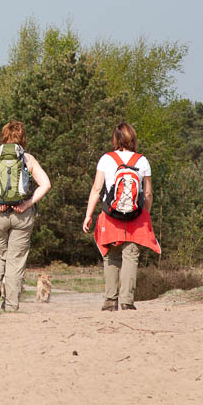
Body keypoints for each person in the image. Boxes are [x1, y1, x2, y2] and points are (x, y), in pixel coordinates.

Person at [0, 121, 51, 311]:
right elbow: (46, 184)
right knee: (16, 259)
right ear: (23, 138)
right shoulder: (27, 159)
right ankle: (12, 306)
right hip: (22, 215)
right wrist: (27, 203)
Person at [82, 122, 161, 311]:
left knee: (110, 256)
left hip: (110, 216)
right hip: (135, 216)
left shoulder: (106, 159)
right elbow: (148, 194)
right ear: (133, 138)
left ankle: (110, 300)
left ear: (115, 139)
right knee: (131, 256)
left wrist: (88, 215)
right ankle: (127, 301)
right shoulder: (142, 161)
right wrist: (145, 215)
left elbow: (96, 189)